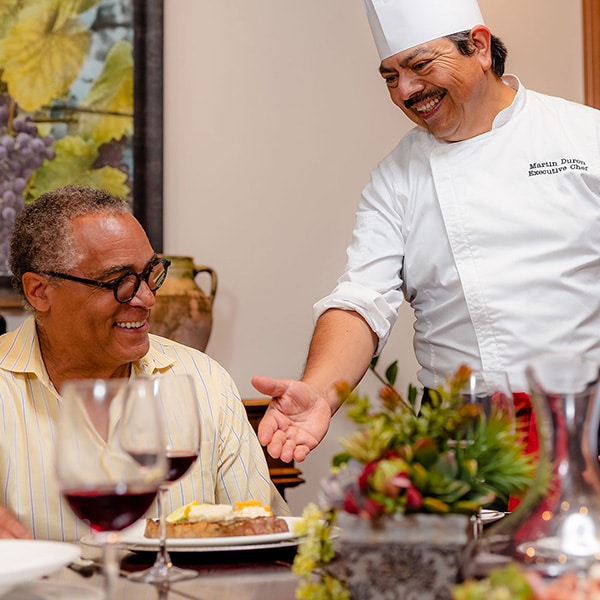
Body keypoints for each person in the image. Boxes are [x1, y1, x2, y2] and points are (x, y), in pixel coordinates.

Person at [252, 0, 600, 463]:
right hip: (460, 441)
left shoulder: (585, 137)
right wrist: (320, 391)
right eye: (390, 77)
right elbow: (361, 299)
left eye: (419, 65)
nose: (406, 90)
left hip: (587, 427)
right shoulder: (397, 177)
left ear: (477, 46)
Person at [0, 185, 289, 541]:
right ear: (39, 291)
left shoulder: (204, 380)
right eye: (119, 282)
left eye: (152, 273)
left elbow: (260, 535)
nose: (147, 298)